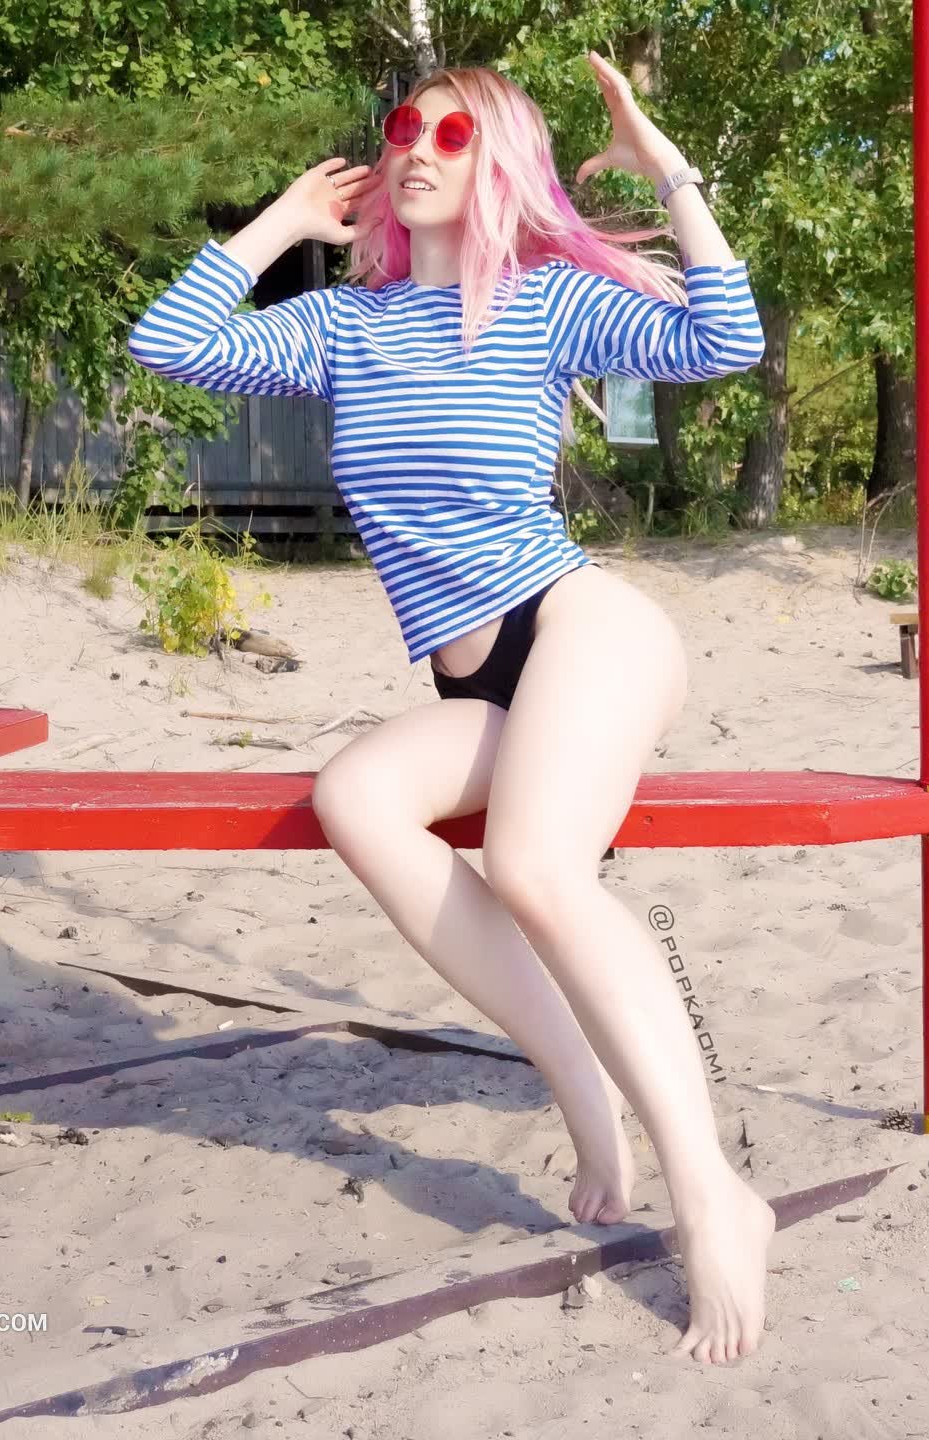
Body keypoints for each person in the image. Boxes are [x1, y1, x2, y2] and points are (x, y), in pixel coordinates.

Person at [128, 53, 773, 1365]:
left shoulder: (542, 304)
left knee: (535, 867)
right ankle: (580, 1083)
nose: (419, 146)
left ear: (501, 164)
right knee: (357, 797)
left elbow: (726, 342)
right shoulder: (343, 327)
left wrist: (668, 169)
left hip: (582, 627)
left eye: (456, 133)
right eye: (404, 126)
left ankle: (714, 1192)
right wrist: (282, 222)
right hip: (476, 679)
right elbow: (167, 345)